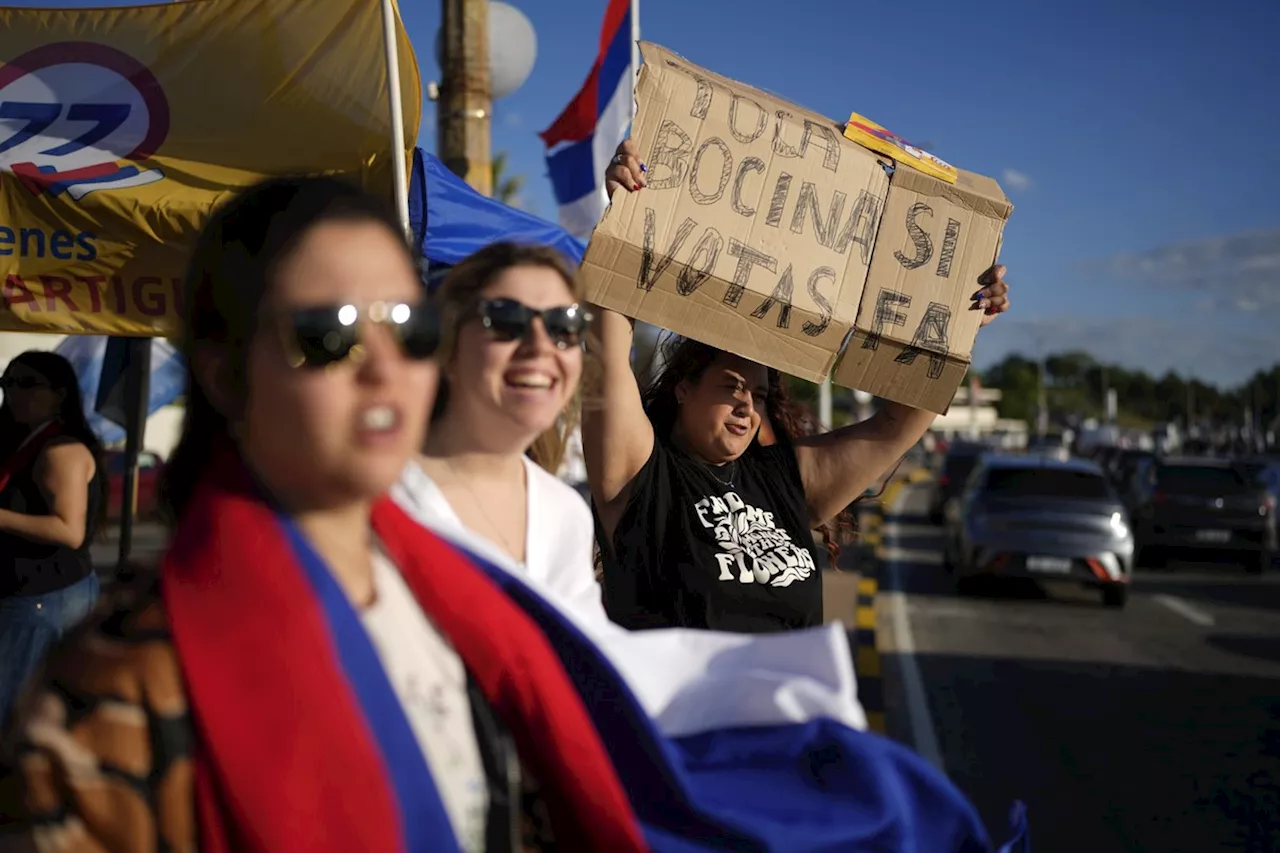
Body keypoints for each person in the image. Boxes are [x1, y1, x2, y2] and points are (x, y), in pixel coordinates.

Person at [0, 177, 646, 853]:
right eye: (327, 333)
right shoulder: (112, 688)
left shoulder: (457, 603)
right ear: (224, 373)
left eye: (409, 325)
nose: (384, 366)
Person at [587, 139, 1012, 633]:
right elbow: (609, 352)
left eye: (760, 395)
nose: (748, 406)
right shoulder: (640, 474)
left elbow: (896, 425)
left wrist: (961, 319)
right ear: (684, 388)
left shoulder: (781, 480)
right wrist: (626, 212)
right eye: (731, 386)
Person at [396, 242, 606, 621]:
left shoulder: (566, 513)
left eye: (564, 325)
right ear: (448, 346)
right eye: (507, 320)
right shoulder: (382, 496)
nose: (540, 346)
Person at [0, 351, 104, 730]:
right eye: (7, 383)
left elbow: (69, 531)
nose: (14, 393)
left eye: (27, 384)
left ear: (59, 393)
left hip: (43, 595)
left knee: (14, 711)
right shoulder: (26, 442)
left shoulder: (60, 449)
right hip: (33, 593)